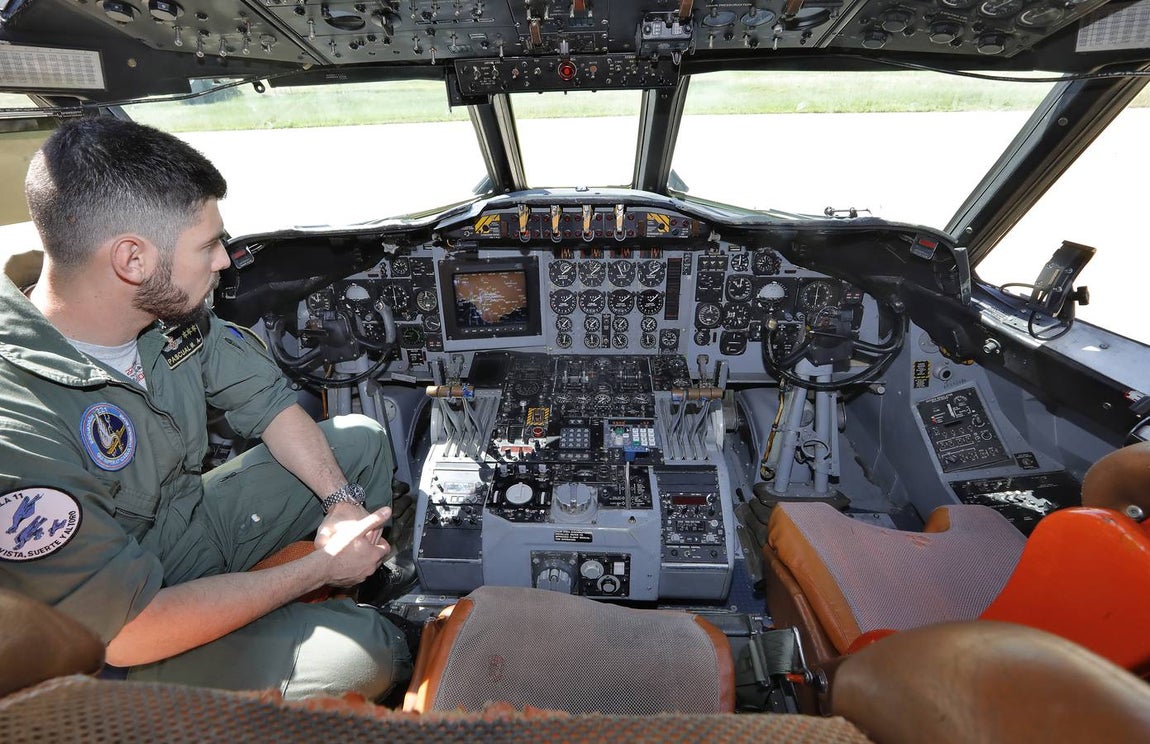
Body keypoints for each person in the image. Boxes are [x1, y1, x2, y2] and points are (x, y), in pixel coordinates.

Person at [0, 116, 413, 700]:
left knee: (361, 440)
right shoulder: (17, 420)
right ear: (132, 260)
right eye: (208, 245)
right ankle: (366, 633)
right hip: (106, 649)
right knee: (361, 653)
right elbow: (128, 630)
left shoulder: (167, 317)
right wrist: (319, 569)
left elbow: (267, 405)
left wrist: (341, 508)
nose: (224, 260)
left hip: (185, 529)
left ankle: (333, 593)